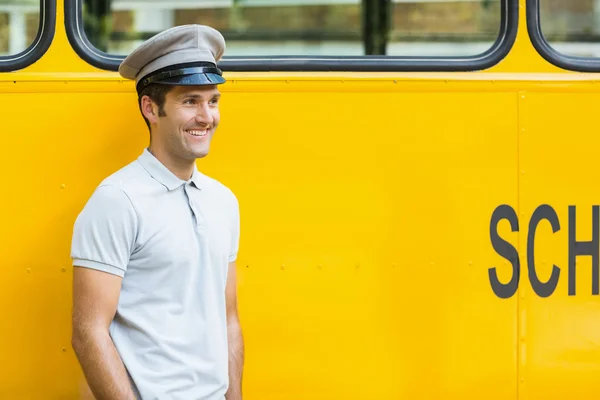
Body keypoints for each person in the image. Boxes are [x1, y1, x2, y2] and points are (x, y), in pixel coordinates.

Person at [70, 24, 243, 400]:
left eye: (212, 101)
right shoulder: (117, 199)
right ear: (150, 108)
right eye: (189, 101)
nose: (206, 116)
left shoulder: (223, 201)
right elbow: (88, 333)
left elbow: (228, 320)